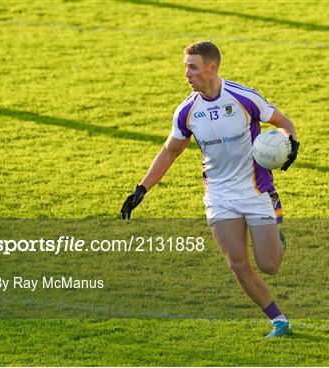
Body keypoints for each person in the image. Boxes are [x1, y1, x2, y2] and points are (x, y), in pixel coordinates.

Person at [121, 41, 299, 338]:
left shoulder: (244, 97)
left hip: (256, 191)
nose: (186, 74)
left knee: (269, 265)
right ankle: (278, 320)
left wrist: (291, 144)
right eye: (185, 67)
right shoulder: (187, 111)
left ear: (211, 68)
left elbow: (283, 122)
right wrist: (142, 189)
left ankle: (275, 239)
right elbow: (170, 151)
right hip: (219, 196)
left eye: (192, 67)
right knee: (237, 262)